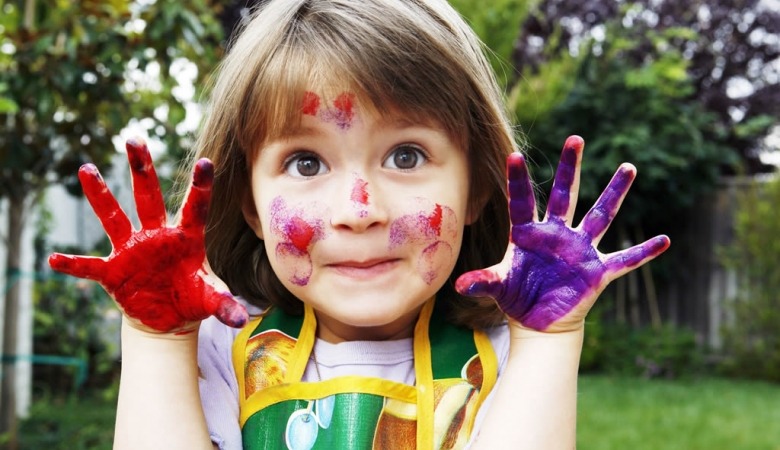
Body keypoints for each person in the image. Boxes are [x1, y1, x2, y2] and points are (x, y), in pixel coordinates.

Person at [48, 0, 671, 449]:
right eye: (306, 161)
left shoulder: (505, 360)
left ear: (479, 189)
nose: (358, 209)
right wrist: (156, 340)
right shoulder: (221, 354)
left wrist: (550, 341)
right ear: (250, 205)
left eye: (406, 156)